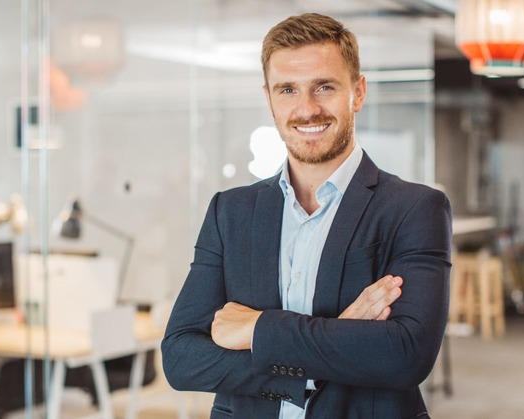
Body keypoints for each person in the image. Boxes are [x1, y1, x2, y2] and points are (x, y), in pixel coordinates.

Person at [161, 12, 451, 419]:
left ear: (358, 92)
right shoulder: (231, 211)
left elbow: (405, 355)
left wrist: (258, 329)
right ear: (269, 99)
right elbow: (181, 358)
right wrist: (336, 341)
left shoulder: (414, 208)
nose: (307, 109)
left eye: (325, 87)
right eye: (287, 90)